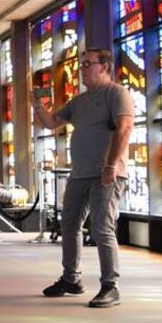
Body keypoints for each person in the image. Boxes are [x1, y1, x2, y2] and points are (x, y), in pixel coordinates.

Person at [33, 48, 134, 308]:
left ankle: (110, 286)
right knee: (68, 226)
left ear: (104, 66)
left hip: (106, 173)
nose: (82, 69)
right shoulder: (79, 101)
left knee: (101, 228)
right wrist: (38, 105)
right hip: (79, 174)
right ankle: (71, 279)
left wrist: (111, 165)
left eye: (88, 64)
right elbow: (51, 123)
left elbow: (124, 128)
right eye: (82, 65)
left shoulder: (116, 93)